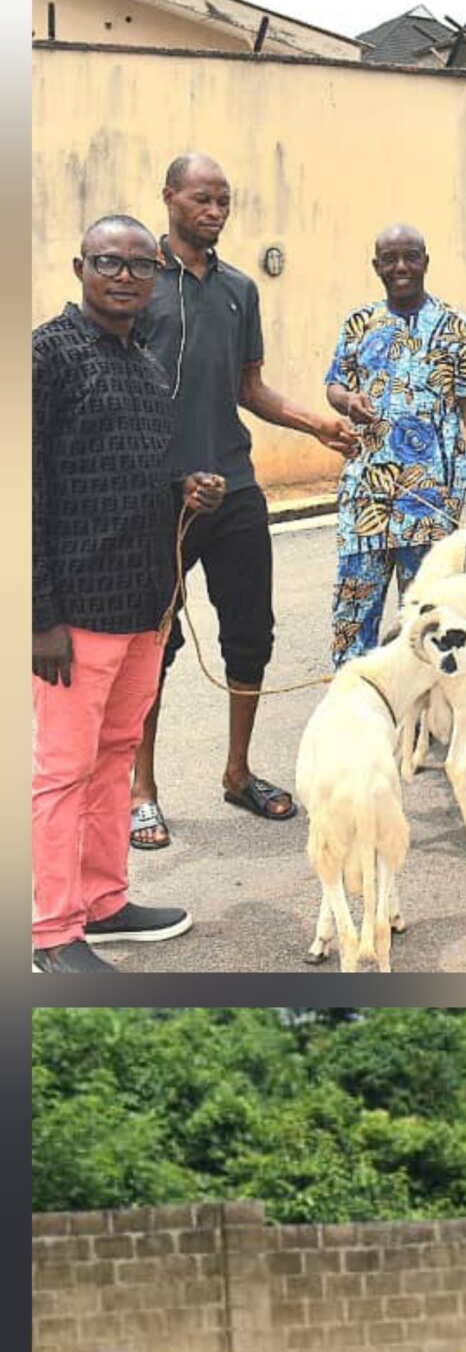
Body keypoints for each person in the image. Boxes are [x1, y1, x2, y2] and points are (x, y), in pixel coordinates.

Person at [128, 152, 361, 847]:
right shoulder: (138, 282)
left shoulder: (238, 289)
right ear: (169, 197)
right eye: (202, 198)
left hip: (233, 486)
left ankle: (238, 771)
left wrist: (316, 424)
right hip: (158, 498)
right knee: (152, 643)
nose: (215, 211)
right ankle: (142, 789)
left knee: (251, 635)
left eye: (224, 200)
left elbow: (248, 387)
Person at [32, 215, 221, 969]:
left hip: (144, 608)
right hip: (74, 615)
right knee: (61, 772)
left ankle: (104, 901)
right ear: (80, 266)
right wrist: (38, 616)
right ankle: (50, 932)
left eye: (141, 266)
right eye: (109, 262)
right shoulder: (46, 355)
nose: (124, 276)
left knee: (114, 758)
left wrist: (186, 491)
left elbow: (138, 477)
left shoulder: (144, 365)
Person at [322, 224, 466, 662]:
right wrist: (348, 401)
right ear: (376, 266)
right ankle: (356, 690)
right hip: (368, 490)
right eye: (390, 259)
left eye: (411, 257)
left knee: (428, 610)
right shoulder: (358, 324)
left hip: (432, 495)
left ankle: (426, 695)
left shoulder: (458, 327)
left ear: (425, 262)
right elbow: (336, 386)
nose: (401, 267)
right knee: (354, 608)